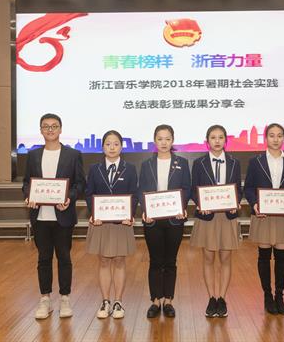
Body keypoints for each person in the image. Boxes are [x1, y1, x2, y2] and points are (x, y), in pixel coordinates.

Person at [22, 113, 85, 320]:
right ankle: (45, 299)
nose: (50, 129)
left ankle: (65, 298)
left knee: (64, 257)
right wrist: (29, 196)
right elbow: (27, 183)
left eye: (54, 126)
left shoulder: (73, 155)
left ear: (60, 129)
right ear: (41, 130)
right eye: (46, 126)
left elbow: (80, 184)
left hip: (63, 216)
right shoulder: (33, 155)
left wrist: (69, 198)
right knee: (43, 258)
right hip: (40, 217)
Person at [244, 123, 284, 315]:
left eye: (279, 135)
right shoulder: (255, 161)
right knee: (264, 256)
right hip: (263, 215)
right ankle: (267, 296)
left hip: (283, 215)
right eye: (271, 135)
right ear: (265, 138)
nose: (276, 139)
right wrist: (254, 204)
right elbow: (248, 188)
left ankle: (279, 296)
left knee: (282, 256)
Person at [139, 124, 191, 319]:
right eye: (160, 139)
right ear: (155, 141)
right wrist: (145, 209)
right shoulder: (146, 164)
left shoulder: (182, 163)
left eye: (167, 139)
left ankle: (168, 300)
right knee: (155, 261)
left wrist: (181, 207)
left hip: (174, 219)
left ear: (172, 140)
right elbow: (141, 189)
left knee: (170, 261)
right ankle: (155, 300)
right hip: (152, 220)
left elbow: (186, 188)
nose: (164, 142)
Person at [85, 130, 138, 320]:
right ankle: (105, 301)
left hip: (121, 223)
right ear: (102, 147)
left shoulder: (130, 168)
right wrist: (94, 213)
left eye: (116, 144)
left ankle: (118, 302)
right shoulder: (94, 169)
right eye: (108, 144)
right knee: (104, 261)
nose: (112, 147)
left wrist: (130, 214)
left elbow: (134, 194)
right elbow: (89, 193)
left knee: (119, 261)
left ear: (121, 147)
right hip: (100, 223)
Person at [190, 124, 242, 318]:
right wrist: (200, 203)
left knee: (226, 258)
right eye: (213, 137)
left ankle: (222, 298)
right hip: (207, 217)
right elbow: (194, 189)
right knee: (208, 258)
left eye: (221, 137)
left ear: (226, 141)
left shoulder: (235, 162)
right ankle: (212, 297)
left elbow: (238, 189)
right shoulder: (199, 163)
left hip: (227, 216)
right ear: (207, 141)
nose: (217, 141)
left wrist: (236, 202)